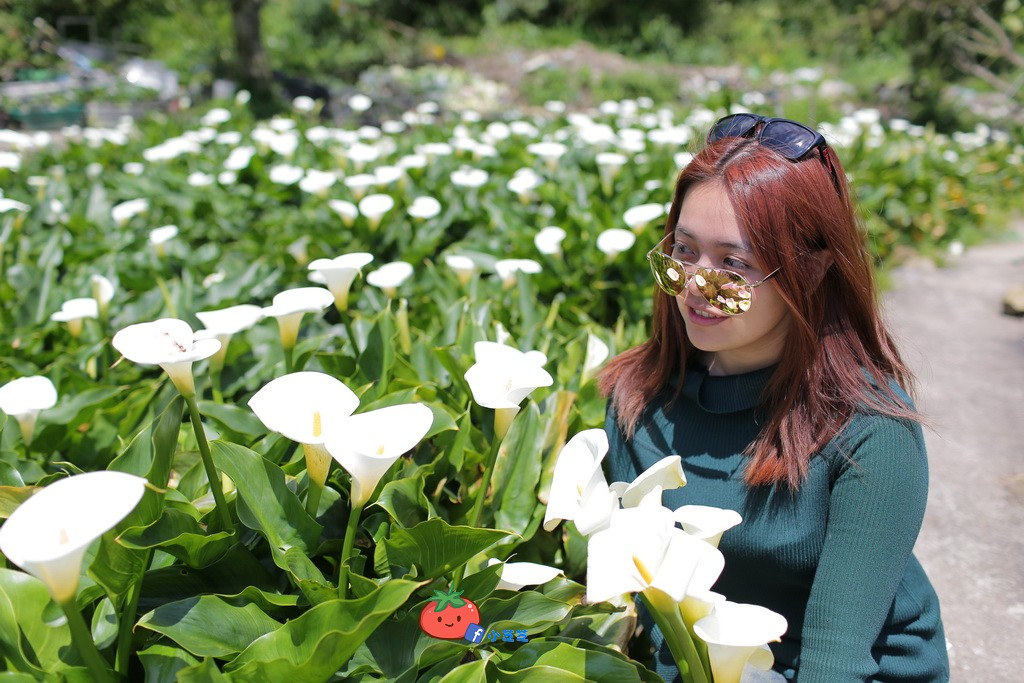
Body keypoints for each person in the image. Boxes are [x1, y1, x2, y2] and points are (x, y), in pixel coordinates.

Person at [598, 113, 950, 682]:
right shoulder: (638, 398)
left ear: (810, 272)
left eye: (733, 265)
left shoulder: (867, 433)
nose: (696, 286)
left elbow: (836, 664)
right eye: (683, 251)